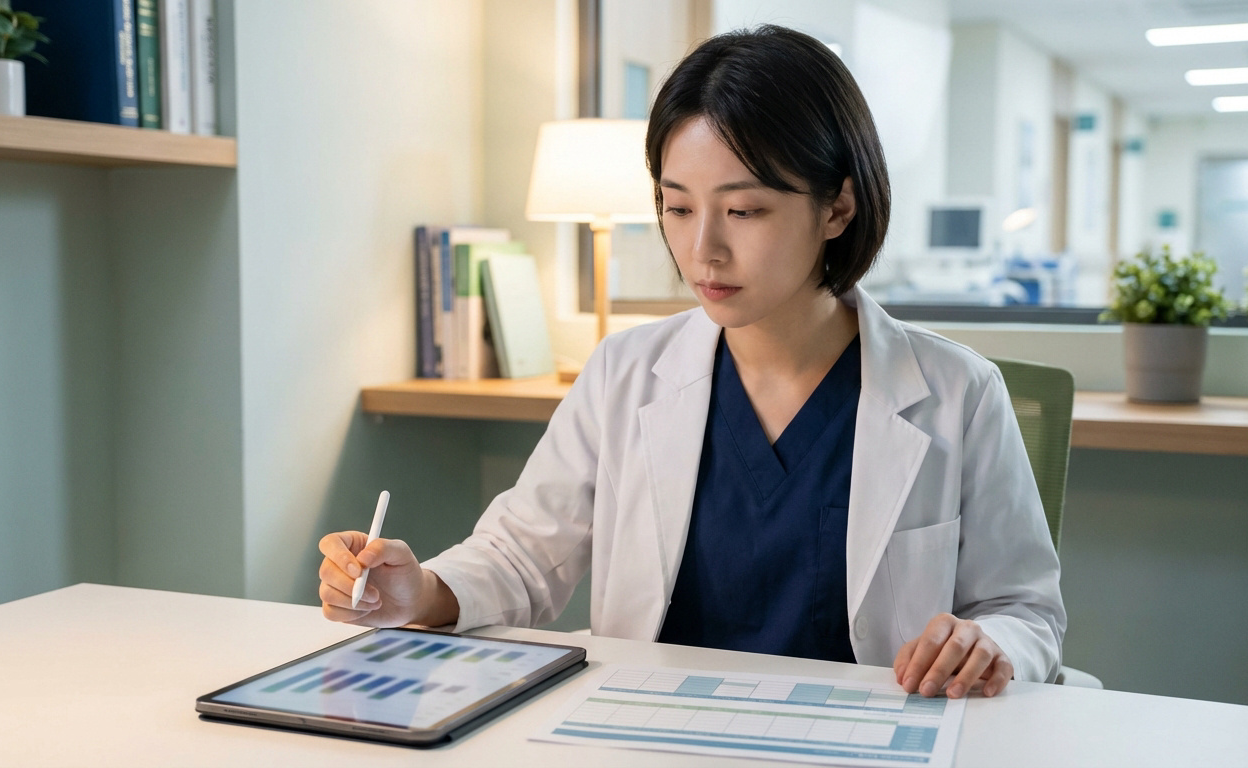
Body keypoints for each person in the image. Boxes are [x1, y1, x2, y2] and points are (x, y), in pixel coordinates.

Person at [317, 25, 1065, 700]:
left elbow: (1025, 611)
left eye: (743, 211)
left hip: (863, 740)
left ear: (837, 208)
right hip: (649, 730)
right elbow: (520, 557)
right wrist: (420, 591)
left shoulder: (956, 393)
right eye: (678, 208)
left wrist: (985, 644)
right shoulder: (624, 371)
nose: (702, 248)